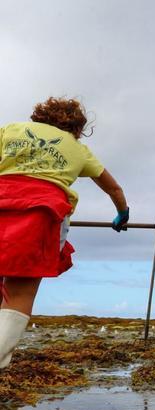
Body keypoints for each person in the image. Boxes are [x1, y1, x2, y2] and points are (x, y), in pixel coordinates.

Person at [0, 97, 129, 369]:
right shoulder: (78, 149)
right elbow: (113, 189)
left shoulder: (10, 130)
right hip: (42, 213)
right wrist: (122, 213)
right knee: (20, 290)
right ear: (77, 128)